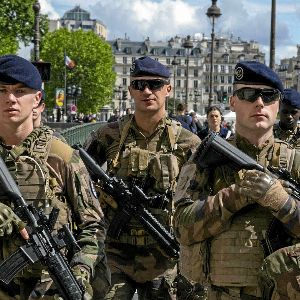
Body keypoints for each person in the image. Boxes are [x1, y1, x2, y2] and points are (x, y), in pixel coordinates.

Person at [173, 60, 300, 299]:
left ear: (278, 103)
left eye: (268, 95)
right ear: (233, 102)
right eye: (248, 94)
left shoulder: (295, 162)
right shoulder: (205, 158)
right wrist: (235, 196)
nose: (259, 102)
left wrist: (282, 202)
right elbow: (181, 228)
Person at [84, 56, 201, 299]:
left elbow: (201, 198)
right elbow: (78, 175)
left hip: (164, 255)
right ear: (130, 91)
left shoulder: (187, 143)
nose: (147, 91)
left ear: (168, 89)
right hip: (114, 251)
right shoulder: (110, 134)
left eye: (155, 84)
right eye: (139, 85)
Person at [0, 54, 106, 299]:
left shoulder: (61, 156)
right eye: (2, 90)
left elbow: (93, 226)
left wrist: (78, 274)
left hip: (50, 289)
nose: (10, 98)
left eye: (19, 91)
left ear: (37, 99)